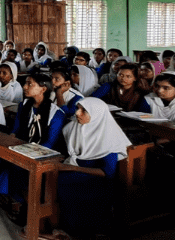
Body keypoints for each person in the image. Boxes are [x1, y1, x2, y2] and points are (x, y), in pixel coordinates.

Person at [0, 74, 65, 204]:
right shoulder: (24, 105)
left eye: (30, 84)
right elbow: (15, 129)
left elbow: (50, 142)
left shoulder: (56, 114)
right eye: (25, 83)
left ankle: (12, 198)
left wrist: (26, 152)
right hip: (18, 145)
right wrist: (10, 142)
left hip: (40, 152)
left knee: (16, 168)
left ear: (43, 89)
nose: (24, 87)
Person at [57, 98, 132, 236]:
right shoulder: (74, 127)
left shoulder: (108, 136)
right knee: (54, 177)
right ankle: (63, 228)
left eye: (84, 110)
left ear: (96, 115)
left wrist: (73, 168)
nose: (78, 113)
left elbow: (108, 173)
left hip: (97, 178)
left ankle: (74, 231)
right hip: (77, 169)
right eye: (77, 108)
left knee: (64, 182)